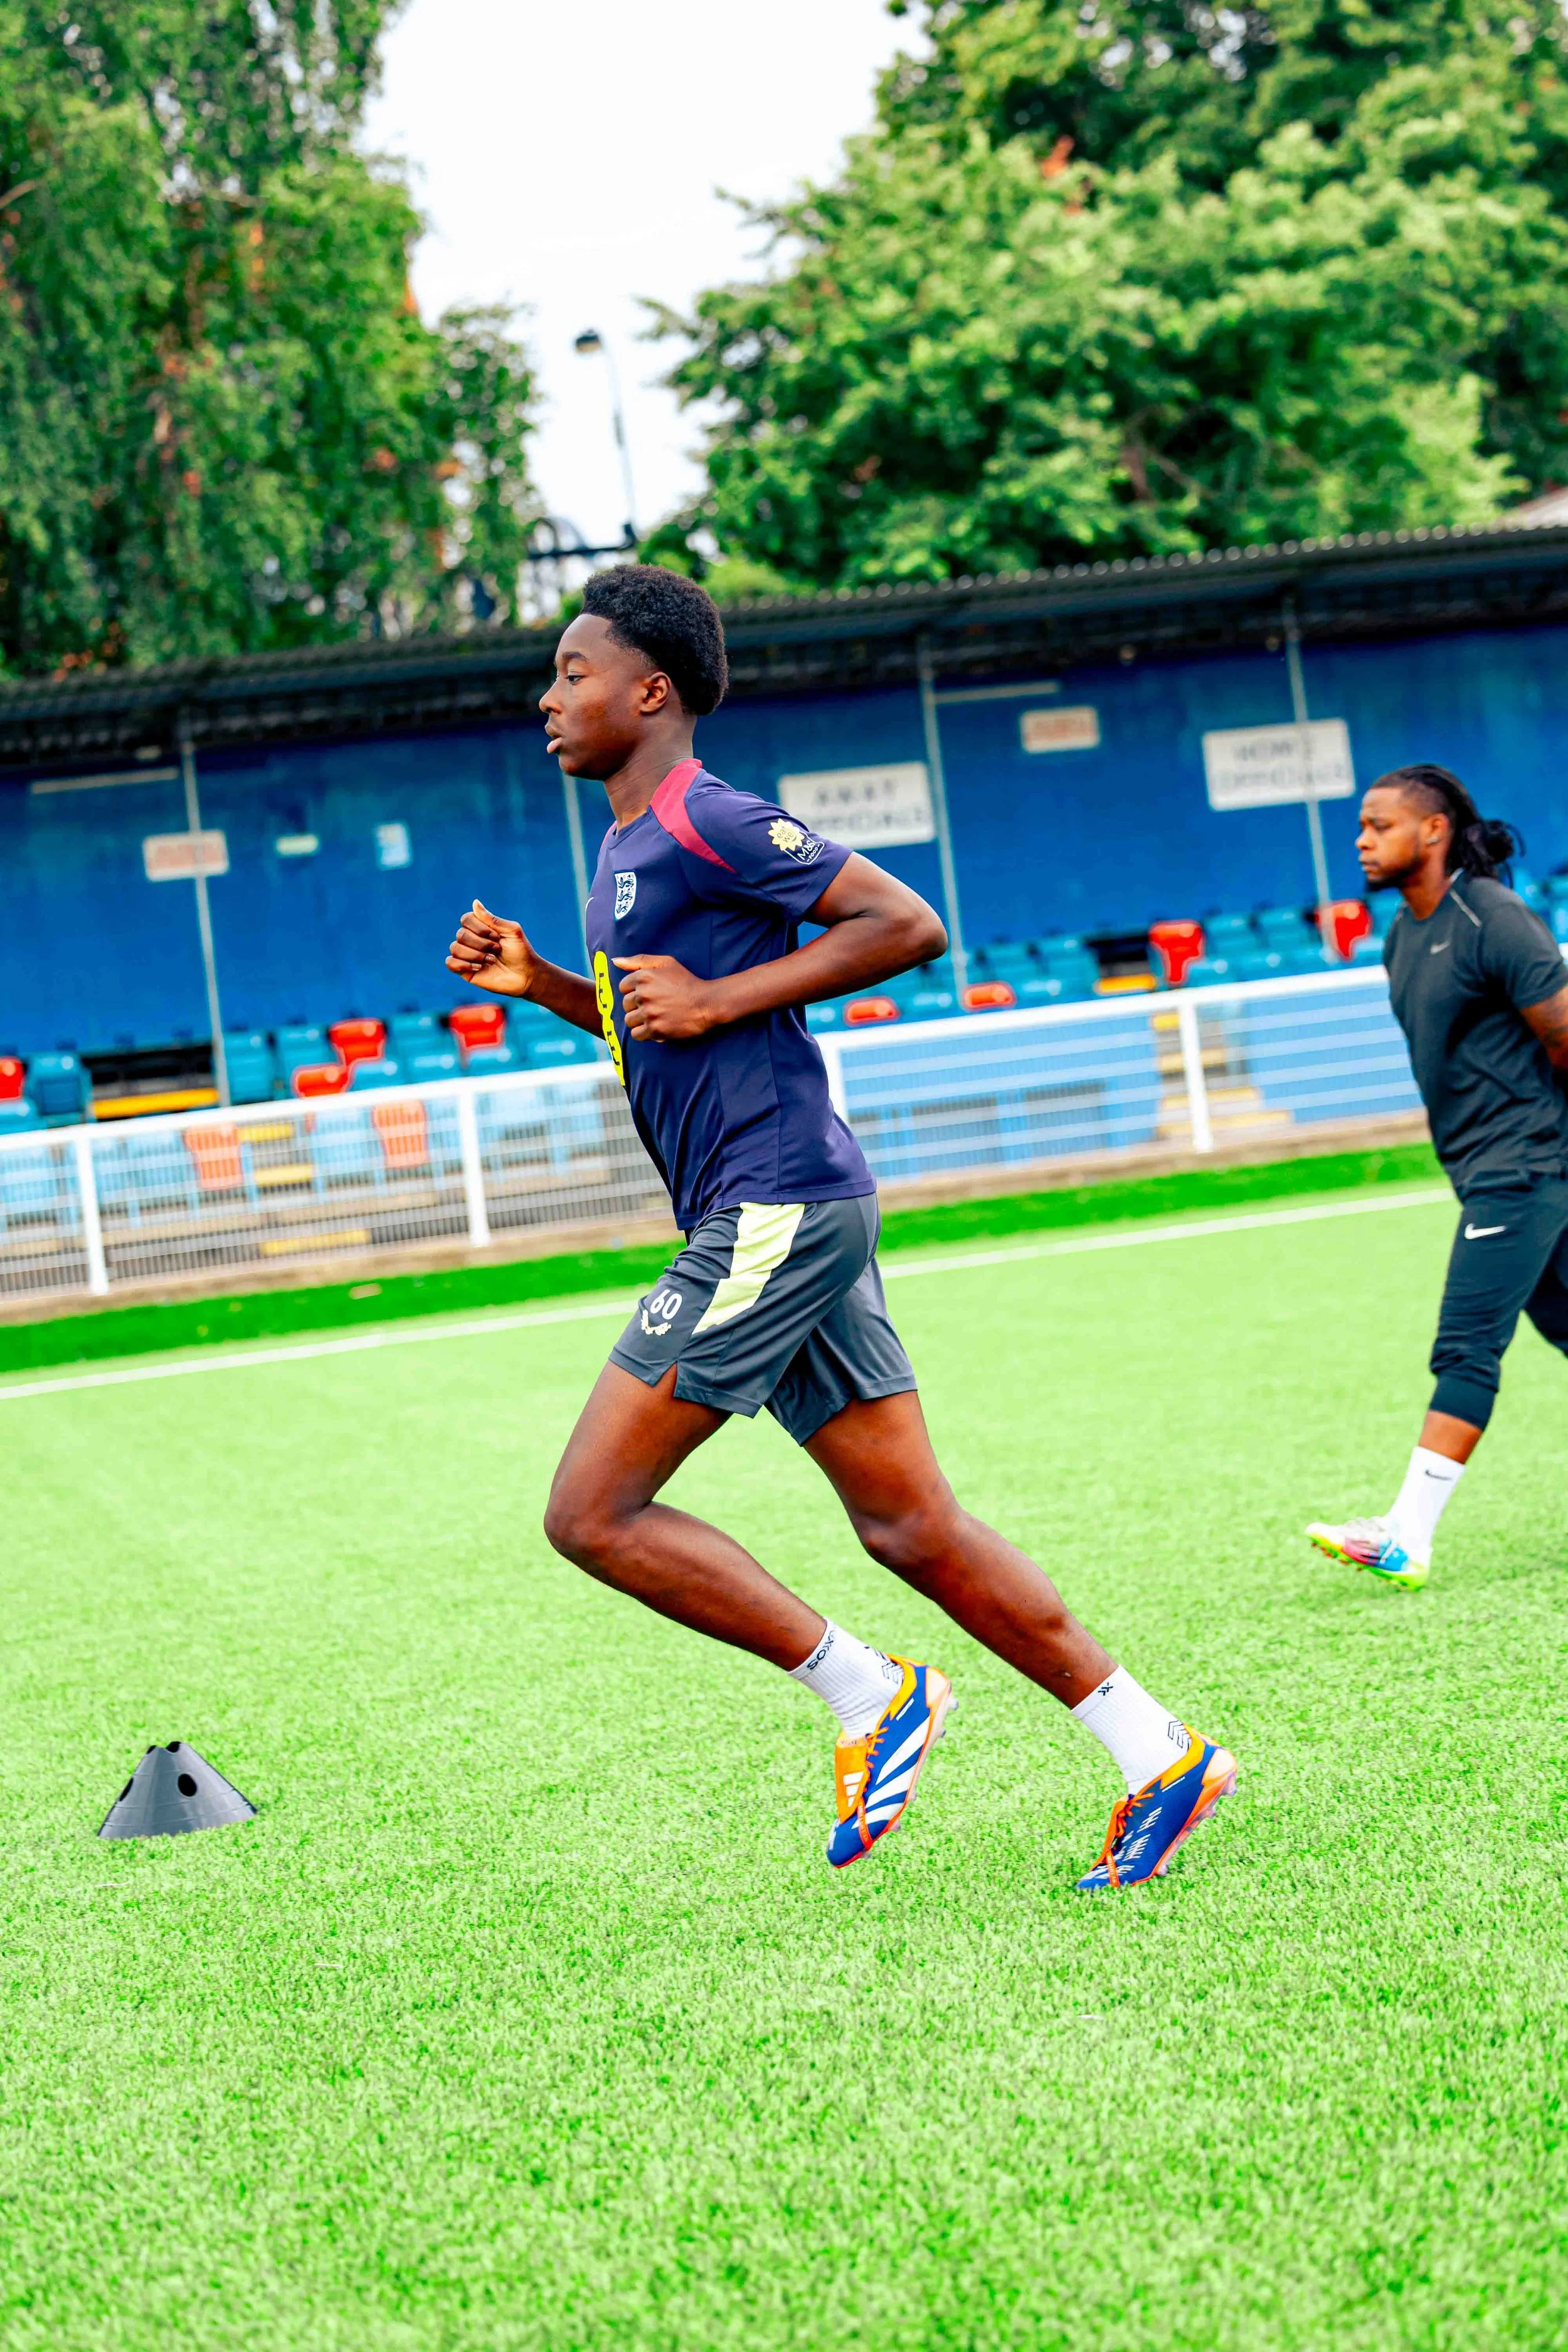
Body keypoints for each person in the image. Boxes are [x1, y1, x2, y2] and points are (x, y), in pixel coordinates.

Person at [447, 563, 1234, 1888]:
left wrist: (720, 995)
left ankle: (867, 1691)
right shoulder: (622, 851)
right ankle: (1158, 1752)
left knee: (590, 1513)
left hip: (774, 1205)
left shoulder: (709, 819)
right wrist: (542, 986)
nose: (549, 697)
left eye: (572, 673)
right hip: (780, 1210)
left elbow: (904, 923)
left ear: (650, 692)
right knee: (910, 1529)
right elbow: (666, 1022)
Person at [1308, 763, 1568, 1589]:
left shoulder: (1492, 915)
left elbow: (1564, 1034)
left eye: (1377, 825)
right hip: (1491, 1165)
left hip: (1523, 1164)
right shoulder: (1400, 936)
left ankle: (1405, 1534)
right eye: (1360, 826)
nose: (1361, 840)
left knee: (1466, 1345)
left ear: (1433, 831)